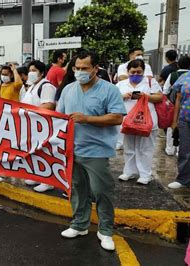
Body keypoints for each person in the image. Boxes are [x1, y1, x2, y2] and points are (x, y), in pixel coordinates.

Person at [57, 51, 126, 251]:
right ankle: (79, 225)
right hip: (73, 150)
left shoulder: (109, 90)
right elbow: (59, 117)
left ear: (96, 68)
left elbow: (117, 117)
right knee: (78, 190)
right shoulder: (69, 90)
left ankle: (105, 231)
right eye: (76, 68)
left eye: (84, 68)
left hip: (97, 151)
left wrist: (87, 119)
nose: (79, 72)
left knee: (101, 191)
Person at [117, 59, 163, 185]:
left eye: (139, 72)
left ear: (143, 71)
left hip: (146, 121)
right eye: (133, 72)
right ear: (128, 71)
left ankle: (145, 174)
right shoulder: (121, 84)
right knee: (129, 147)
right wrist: (123, 96)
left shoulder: (150, 82)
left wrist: (145, 96)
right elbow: (114, 97)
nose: (136, 75)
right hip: (128, 121)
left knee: (145, 148)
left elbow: (159, 97)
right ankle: (129, 171)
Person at [21, 60, 57, 192]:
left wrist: (29, 110)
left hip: (44, 126)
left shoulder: (46, 86)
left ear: (42, 73)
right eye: (30, 70)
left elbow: (48, 105)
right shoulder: (31, 87)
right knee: (35, 152)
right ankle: (38, 175)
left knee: (46, 153)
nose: (31, 73)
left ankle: (48, 181)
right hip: (32, 125)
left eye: (34, 70)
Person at [167, 70, 190, 189]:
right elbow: (178, 99)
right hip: (185, 119)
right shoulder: (185, 76)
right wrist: (175, 121)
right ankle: (184, 179)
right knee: (185, 150)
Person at [163, 56, 190, 156]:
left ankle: (170, 149)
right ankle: (180, 150)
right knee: (186, 130)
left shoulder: (173, 75)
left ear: (178, 64)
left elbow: (165, 90)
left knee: (172, 127)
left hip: (173, 105)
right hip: (188, 108)